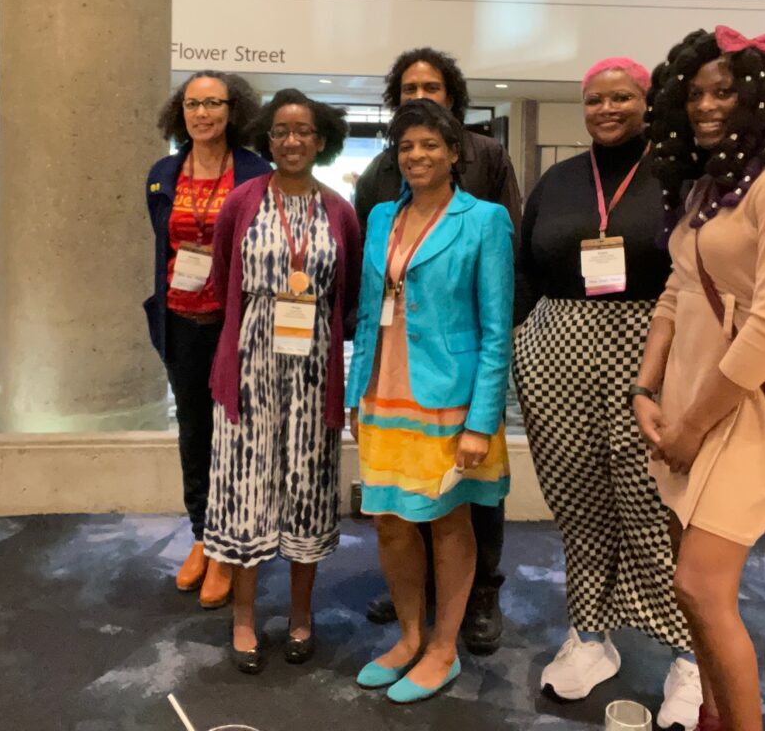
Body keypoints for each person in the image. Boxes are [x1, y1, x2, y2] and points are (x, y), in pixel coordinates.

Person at [634, 26, 765, 731]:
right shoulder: (707, 185)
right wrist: (646, 391)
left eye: (724, 91)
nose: (707, 106)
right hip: (686, 402)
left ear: (761, 95)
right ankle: (714, 717)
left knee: (701, 588)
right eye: (695, 94)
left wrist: (688, 427)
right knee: (693, 598)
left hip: (741, 409)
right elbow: (677, 294)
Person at [513, 57, 699, 728]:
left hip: (650, 349)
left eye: (622, 96)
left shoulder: (680, 175)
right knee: (578, 500)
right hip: (556, 351)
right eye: (595, 99)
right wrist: (518, 346)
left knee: (654, 504)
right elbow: (527, 273)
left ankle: (689, 652)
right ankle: (590, 635)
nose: (607, 108)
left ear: (647, 102)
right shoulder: (560, 180)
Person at [353, 46, 521, 655]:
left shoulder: (485, 220)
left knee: (450, 522)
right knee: (391, 525)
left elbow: (497, 330)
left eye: (430, 146)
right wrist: (355, 392)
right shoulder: (378, 218)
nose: (417, 155)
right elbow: (371, 310)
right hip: (384, 392)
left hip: (449, 397)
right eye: (406, 147)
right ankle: (408, 636)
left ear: (456, 152)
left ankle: (445, 647)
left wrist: (483, 421)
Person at [203, 89, 362, 674]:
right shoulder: (243, 200)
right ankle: (243, 617)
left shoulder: (340, 209)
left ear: (321, 140)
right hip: (248, 368)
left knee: (307, 490)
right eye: (280, 131)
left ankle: (300, 614)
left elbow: (347, 297)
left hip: (315, 372)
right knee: (246, 493)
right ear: (265, 140)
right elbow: (224, 278)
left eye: (303, 131)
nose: (291, 141)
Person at [145, 70, 269, 608]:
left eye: (214, 102)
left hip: (234, 326)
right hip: (180, 320)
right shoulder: (163, 173)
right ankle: (201, 535)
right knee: (193, 434)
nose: (203, 113)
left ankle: (226, 546)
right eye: (193, 103)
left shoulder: (255, 171)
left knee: (233, 439)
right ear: (181, 111)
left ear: (232, 110)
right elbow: (163, 243)